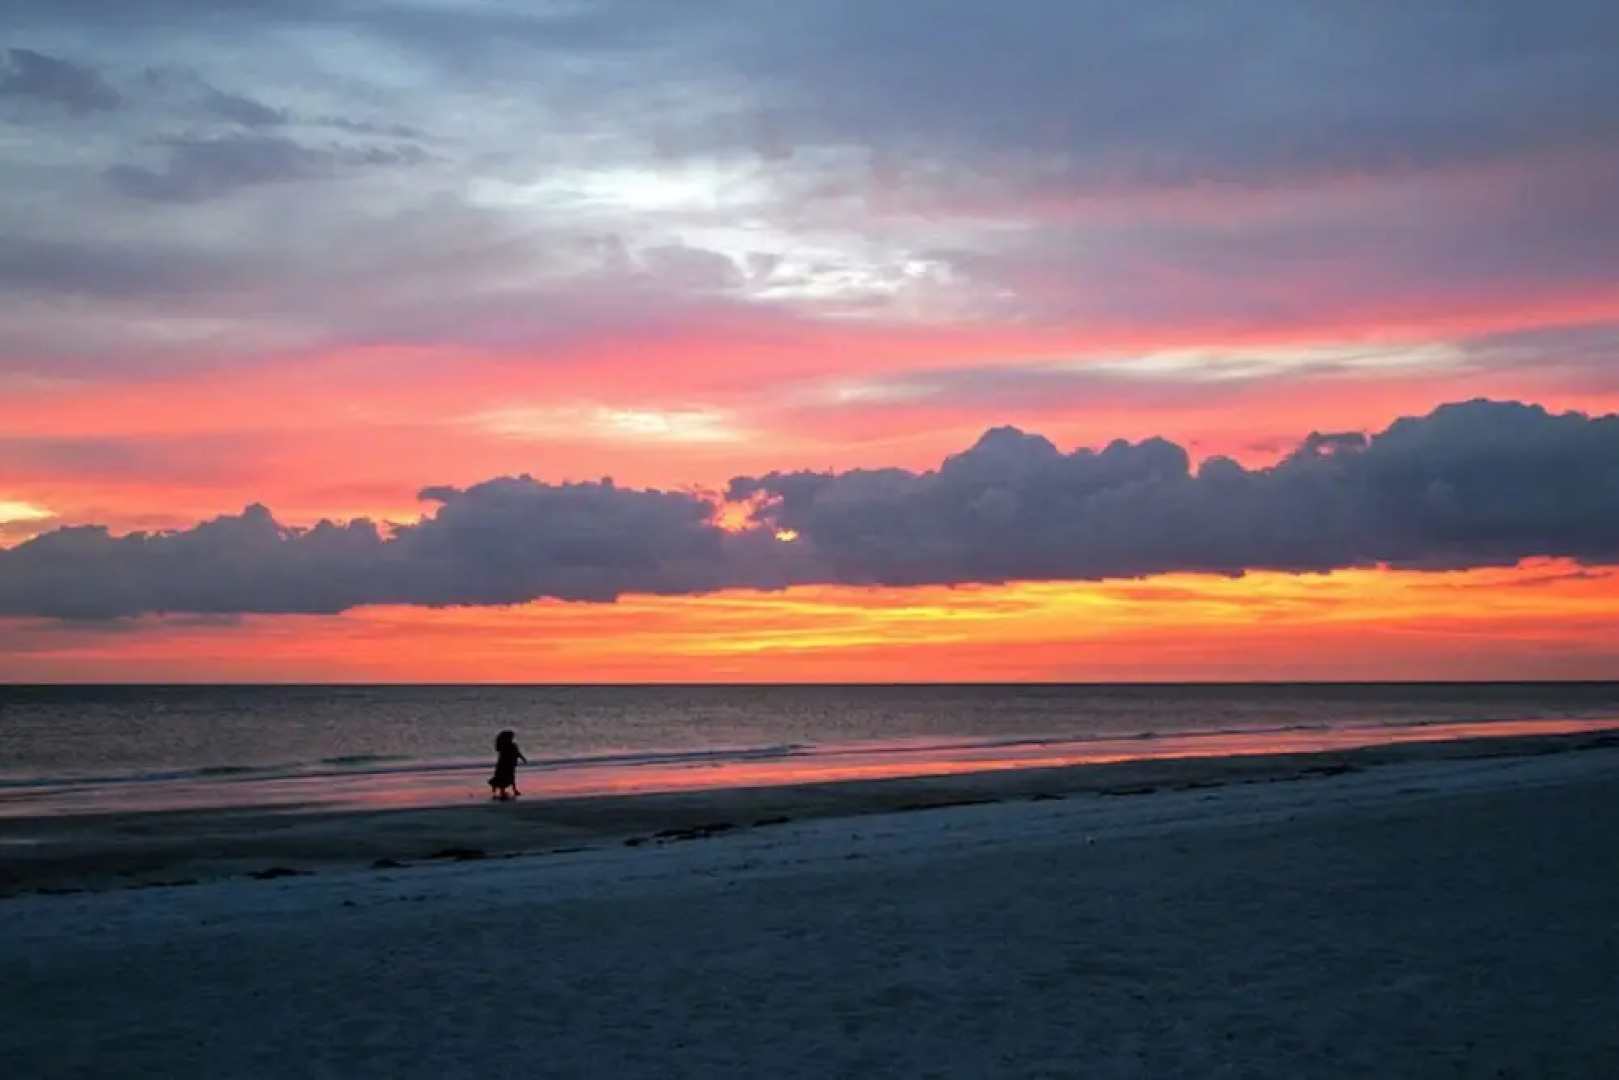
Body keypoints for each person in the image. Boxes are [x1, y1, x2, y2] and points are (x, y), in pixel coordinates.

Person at [489, 730, 527, 800]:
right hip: (505, 763)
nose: (512, 738)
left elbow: (518, 753)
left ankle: (511, 790)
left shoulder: (508, 745)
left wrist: (523, 759)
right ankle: (507, 790)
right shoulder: (506, 746)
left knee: (508, 776)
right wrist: (523, 759)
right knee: (504, 776)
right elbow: (518, 753)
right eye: (511, 737)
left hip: (509, 763)